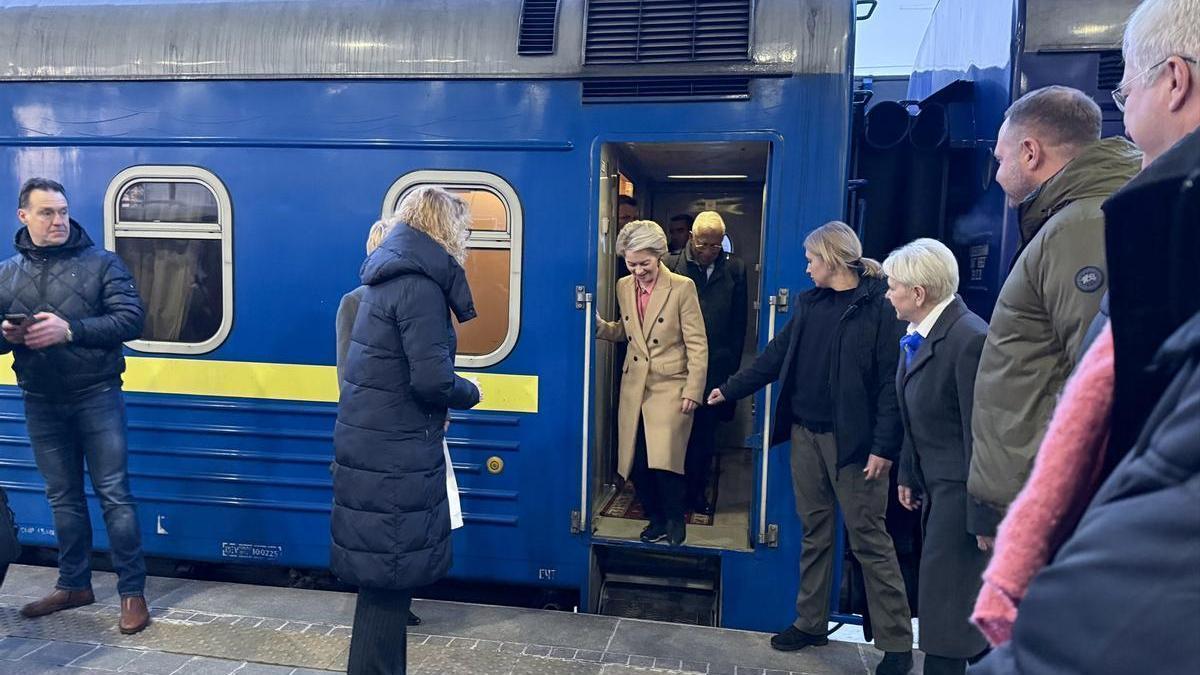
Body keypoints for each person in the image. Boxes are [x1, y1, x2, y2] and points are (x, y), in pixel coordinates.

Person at [709, 221, 913, 675]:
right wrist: (730, 389)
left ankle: (897, 643)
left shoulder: (879, 306)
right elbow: (775, 357)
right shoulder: (809, 303)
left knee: (870, 540)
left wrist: (883, 447)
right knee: (815, 532)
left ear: (835, 259)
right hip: (806, 434)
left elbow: (889, 384)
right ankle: (811, 622)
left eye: (812, 259)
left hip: (856, 446)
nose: (806, 268)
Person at [968, 86, 1141, 518]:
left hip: (1049, 502)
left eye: (1001, 160)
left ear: (1030, 152)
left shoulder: (1079, 227)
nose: (997, 175)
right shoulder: (1079, 219)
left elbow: (1097, 382)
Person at [331, 186, 481, 674]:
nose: (467, 240)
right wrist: (470, 390)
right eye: (464, 229)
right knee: (386, 588)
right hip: (394, 457)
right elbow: (431, 378)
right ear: (443, 228)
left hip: (379, 448)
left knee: (384, 590)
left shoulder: (390, 279)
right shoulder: (419, 287)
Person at [0, 178, 149, 634]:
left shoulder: (102, 263)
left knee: (114, 495)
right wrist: (5, 336)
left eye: (63, 211)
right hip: (40, 399)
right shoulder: (6, 273)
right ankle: (74, 584)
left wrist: (71, 331)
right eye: (47, 212)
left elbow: (132, 319)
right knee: (62, 498)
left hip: (96, 395)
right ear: (24, 216)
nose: (59, 220)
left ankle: (132, 593)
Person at [883, 239, 991, 675]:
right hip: (936, 485)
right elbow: (916, 412)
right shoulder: (919, 334)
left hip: (963, 493)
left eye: (893, 286)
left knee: (947, 603)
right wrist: (909, 471)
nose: (888, 294)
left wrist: (984, 515)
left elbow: (982, 434)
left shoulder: (969, 339)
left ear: (918, 293)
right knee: (946, 597)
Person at [334, 218, 436, 629]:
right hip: (373, 428)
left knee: (397, 520)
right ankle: (380, 603)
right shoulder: (355, 302)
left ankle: (395, 599)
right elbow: (348, 372)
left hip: (406, 427)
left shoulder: (413, 299)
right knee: (377, 521)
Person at [596, 220, 707, 547]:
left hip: (671, 385)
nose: (638, 270)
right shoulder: (623, 286)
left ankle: (675, 521)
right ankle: (655, 520)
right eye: (631, 263)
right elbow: (629, 333)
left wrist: (693, 390)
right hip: (634, 383)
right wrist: (602, 327)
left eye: (644, 263)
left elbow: (697, 343)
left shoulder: (682, 287)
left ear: (658, 255)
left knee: (666, 461)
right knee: (638, 463)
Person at [666, 211, 747, 515]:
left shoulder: (735, 270)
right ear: (691, 239)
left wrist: (732, 374)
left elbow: (739, 324)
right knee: (673, 434)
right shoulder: (670, 265)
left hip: (716, 367)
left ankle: (696, 493)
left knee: (704, 436)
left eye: (716, 246)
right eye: (704, 245)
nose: (710, 252)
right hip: (676, 366)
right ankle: (671, 495)